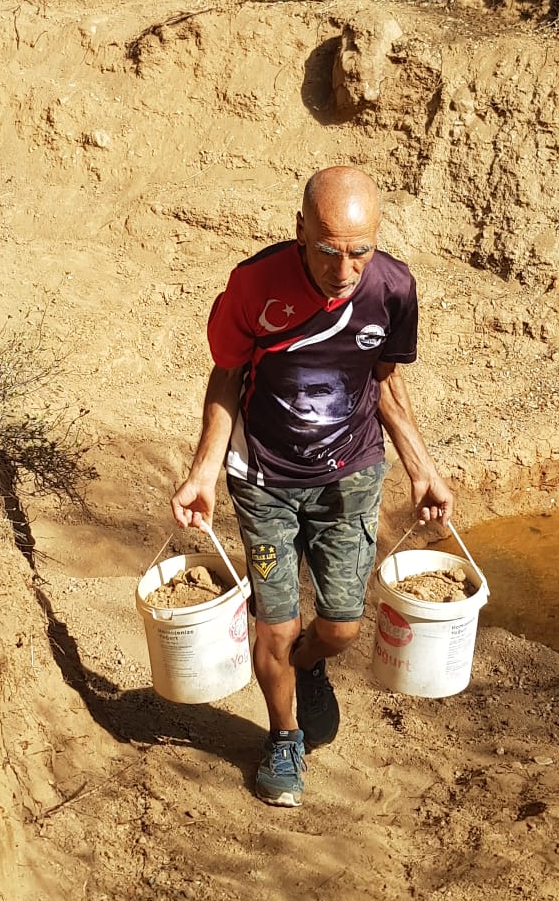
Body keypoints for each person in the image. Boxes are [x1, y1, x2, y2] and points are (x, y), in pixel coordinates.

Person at [171, 166, 453, 807]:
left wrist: (421, 467)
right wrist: (204, 472)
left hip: (349, 476)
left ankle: (305, 663)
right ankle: (283, 737)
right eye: (328, 250)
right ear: (299, 231)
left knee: (343, 627)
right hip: (264, 477)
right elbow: (225, 375)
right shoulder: (254, 287)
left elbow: (384, 380)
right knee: (275, 622)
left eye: (361, 250)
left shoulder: (393, 290)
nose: (346, 269)